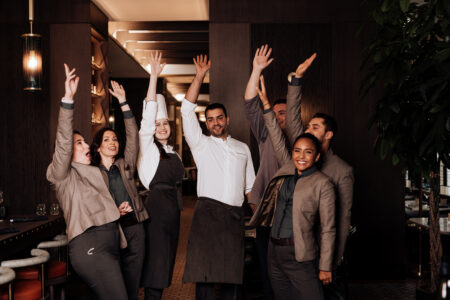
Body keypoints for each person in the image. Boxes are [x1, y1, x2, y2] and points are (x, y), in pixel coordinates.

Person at [47, 64, 128, 300]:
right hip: (91, 248)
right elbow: (63, 142)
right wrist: (68, 100)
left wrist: (116, 212)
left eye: (84, 142)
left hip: (109, 246)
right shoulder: (62, 174)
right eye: (79, 143)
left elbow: (92, 209)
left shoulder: (90, 173)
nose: (86, 146)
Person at [181, 54, 256, 300]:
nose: (215, 123)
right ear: (206, 124)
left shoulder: (243, 148)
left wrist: (255, 218)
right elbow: (186, 109)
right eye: (210, 119)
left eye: (219, 118)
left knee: (230, 276)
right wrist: (200, 75)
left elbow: (250, 187)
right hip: (206, 214)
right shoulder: (200, 144)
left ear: (227, 119)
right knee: (204, 274)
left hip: (234, 216)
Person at [249, 92, 336, 299]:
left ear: (316, 156)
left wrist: (325, 266)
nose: (301, 156)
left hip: (299, 253)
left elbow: (328, 228)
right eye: (297, 151)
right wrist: (266, 105)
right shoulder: (287, 169)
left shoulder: (322, 183)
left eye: (307, 152)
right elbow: (277, 138)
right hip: (274, 251)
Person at [283, 54, 354, 298]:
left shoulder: (342, 171)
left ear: (329, 134)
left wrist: (333, 260)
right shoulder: (301, 158)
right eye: (308, 126)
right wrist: (297, 79)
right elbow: (291, 118)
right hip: (296, 250)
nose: (307, 130)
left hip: (322, 253)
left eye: (315, 127)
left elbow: (342, 219)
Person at [90, 80, 149, 300]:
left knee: (133, 281)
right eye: (107, 140)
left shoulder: (125, 164)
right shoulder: (92, 173)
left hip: (134, 228)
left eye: (115, 139)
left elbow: (133, 136)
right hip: (109, 231)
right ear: (98, 146)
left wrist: (123, 102)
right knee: (113, 284)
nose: (113, 142)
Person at [137, 51, 185, 300]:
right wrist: (154, 75)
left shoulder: (173, 153)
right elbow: (147, 117)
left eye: (165, 123)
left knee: (165, 264)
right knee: (155, 266)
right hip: (155, 211)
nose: (162, 127)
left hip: (172, 213)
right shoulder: (148, 148)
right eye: (157, 125)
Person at [243, 44, 288, 300]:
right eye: (276, 113)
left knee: (290, 270)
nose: (279, 118)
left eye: (284, 114)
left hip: (293, 218)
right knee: (268, 269)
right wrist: (256, 69)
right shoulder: (266, 135)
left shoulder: (303, 142)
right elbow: (249, 103)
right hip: (266, 216)